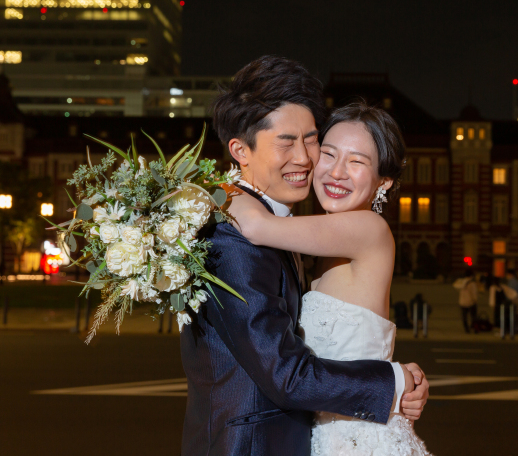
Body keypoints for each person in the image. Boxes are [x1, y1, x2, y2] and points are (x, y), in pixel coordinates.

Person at [181, 57, 429, 456]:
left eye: (311, 140)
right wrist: (394, 382)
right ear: (241, 150)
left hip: (350, 435)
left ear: (384, 181)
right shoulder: (241, 238)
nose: (320, 166)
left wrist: (224, 192)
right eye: (328, 152)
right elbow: (286, 373)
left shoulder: (351, 229)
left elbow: (260, 228)